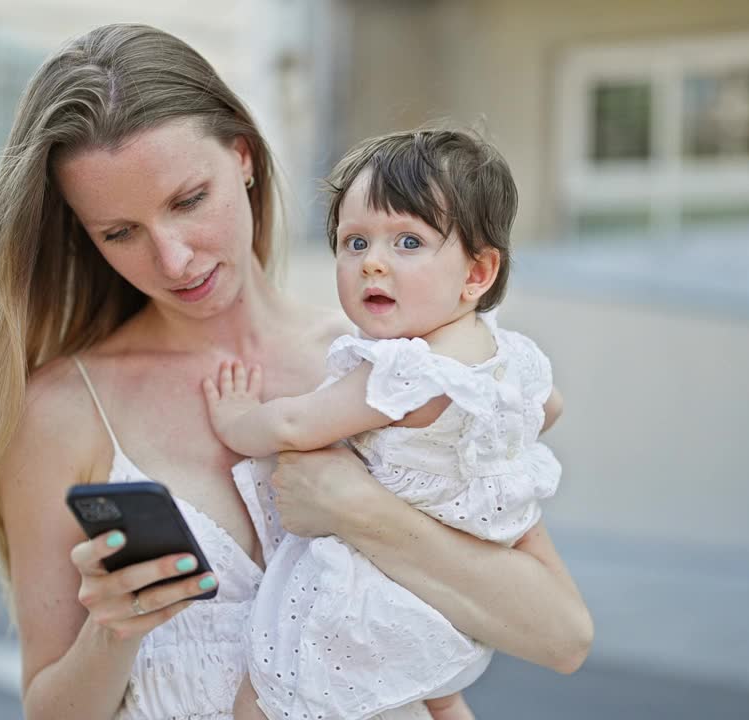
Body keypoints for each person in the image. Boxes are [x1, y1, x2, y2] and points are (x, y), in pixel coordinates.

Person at [0, 23, 592, 720]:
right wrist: (113, 630)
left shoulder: (395, 368)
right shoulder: (65, 410)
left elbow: (561, 635)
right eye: (121, 232)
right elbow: (51, 707)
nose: (173, 259)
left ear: (242, 156)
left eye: (189, 200)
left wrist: (356, 509)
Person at [203, 128, 565, 720]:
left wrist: (237, 419)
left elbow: (297, 423)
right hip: (446, 584)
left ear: (477, 273)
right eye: (354, 242)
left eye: (407, 241)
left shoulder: (406, 370)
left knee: (264, 696)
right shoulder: (507, 355)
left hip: (379, 583)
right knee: (428, 693)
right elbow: (548, 410)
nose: (372, 262)